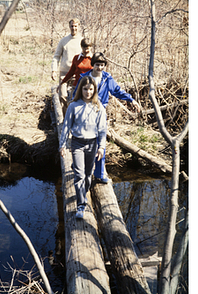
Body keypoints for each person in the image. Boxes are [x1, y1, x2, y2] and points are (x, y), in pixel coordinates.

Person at [73, 52, 141, 183]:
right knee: (82, 140)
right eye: (97, 65)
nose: (99, 68)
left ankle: (99, 174)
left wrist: (131, 100)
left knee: (100, 143)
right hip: (85, 113)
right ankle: (78, 165)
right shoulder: (84, 78)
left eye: (102, 65)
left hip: (100, 114)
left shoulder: (107, 79)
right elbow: (76, 95)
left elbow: (117, 91)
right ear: (92, 65)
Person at [59, 76, 107, 219]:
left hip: (92, 143)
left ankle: (83, 193)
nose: (88, 92)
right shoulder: (74, 106)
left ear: (94, 90)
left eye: (90, 89)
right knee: (79, 175)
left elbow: (102, 129)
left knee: (87, 176)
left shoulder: (98, 106)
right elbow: (66, 126)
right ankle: (81, 205)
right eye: (85, 89)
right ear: (81, 89)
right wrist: (62, 145)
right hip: (77, 143)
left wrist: (101, 147)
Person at [51, 18, 82, 114]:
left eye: (75, 26)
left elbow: (88, 57)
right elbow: (56, 57)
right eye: (72, 26)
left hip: (77, 74)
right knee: (62, 96)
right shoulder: (63, 41)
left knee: (74, 99)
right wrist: (54, 70)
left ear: (79, 27)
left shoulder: (82, 41)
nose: (74, 28)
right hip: (64, 73)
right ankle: (65, 119)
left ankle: (72, 118)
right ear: (69, 27)